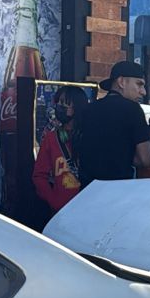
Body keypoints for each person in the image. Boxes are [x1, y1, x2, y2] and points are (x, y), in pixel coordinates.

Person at [74, 60, 150, 182]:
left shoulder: (88, 109)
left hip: (87, 191)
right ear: (121, 82)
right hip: (118, 191)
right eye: (139, 84)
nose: (143, 92)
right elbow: (145, 159)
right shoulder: (133, 109)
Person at [33, 85, 91, 215]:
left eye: (64, 103)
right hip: (60, 212)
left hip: (86, 209)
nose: (59, 106)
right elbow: (39, 176)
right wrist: (54, 201)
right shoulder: (51, 138)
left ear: (77, 107)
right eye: (58, 102)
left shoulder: (90, 137)